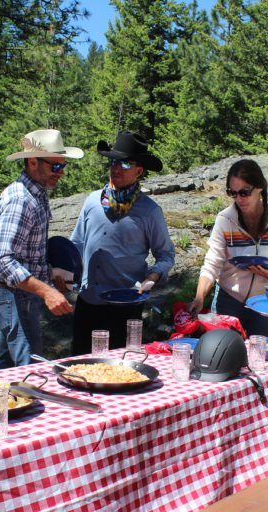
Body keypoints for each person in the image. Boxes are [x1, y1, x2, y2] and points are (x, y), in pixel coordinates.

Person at [70, 131, 175, 354]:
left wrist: (152, 277)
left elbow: (166, 255)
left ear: (139, 170)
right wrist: (65, 271)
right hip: (88, 302)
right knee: (79, 367)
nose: (117, 168)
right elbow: (77, 244)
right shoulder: (91, 201)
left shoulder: (150, 211)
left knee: (120, 371)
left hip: (125, 306)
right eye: (114, 161)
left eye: (126, 164)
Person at [0, 129, 83, 369]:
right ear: (32, 162)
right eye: (55, 166)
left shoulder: (37, 194)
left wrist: (50, 278)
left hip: (19, 295)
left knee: (4, 366)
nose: (60, 173)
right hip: (12, 295)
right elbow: (4, 261)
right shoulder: (20, 199)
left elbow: (27, 253)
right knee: (32, 367)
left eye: (63, 166)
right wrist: (47, 292)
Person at [187, 159, 268, 336]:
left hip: (263, 302)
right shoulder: (225, 219)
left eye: (244, 192)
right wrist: (200, 297)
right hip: (229, 299)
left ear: (260, 187)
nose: (239, 199)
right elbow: (212, 264)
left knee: (263, 358)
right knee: (222, 356)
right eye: (233, 193)